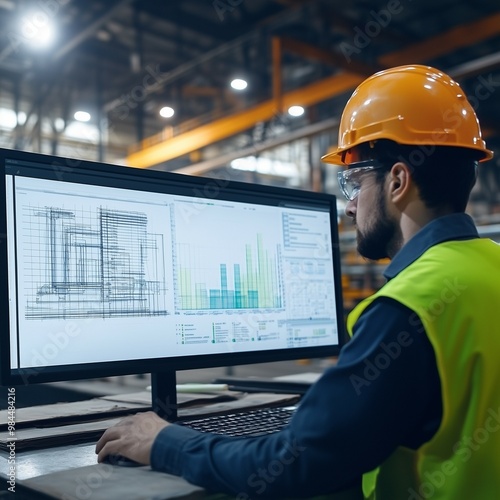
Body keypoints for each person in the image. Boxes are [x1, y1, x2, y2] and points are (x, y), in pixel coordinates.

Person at [96, 65, 500, 499]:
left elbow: (291, 466)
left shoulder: (411, 306)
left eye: (354, 182)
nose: (349, 207)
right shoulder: (488, 265)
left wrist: (165, 443)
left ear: (398, 181)